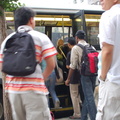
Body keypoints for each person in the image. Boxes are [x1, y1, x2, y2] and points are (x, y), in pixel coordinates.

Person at [0, 7, 57, 120]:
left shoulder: (7, 40)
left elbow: (2, 66)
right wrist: (42, 78)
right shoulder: (40, 37)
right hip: (33, 91)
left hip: (13, 92)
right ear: (31, 20)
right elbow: (51, 64)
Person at [96, 0, 120, 120]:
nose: (100, 1)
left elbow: (107, 50)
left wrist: (103, 77)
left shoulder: (110, 15)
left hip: (114, 81)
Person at [66, 30, 97, 120]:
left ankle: (94, 117)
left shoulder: (75, 48)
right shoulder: (91, 46)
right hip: (93, 74)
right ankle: (83, 117)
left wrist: (68, 79)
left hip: (85, 75)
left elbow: (73, 66)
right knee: (88, 97)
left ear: (76, 38)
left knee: (89, 98)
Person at [65, 37, 82, 119]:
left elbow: (69, 66)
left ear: (69, 44)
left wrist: (68, 79)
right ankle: (82, 109)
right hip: (81, 75)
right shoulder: (81, 49)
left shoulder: (70, 53)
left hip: (73, 77)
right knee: (79, 95)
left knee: (74, 95)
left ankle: (77, 113)